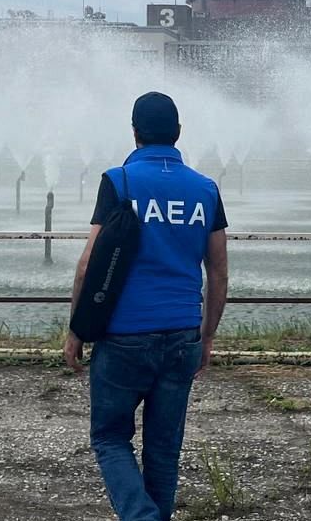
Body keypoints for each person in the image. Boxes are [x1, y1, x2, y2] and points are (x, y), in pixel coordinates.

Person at [65, 91, 230, 521]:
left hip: (124, 335)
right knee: (163, 450)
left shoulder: (119, 182)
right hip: (182, 334)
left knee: (109, 437)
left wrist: (76, 330)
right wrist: (207, 336)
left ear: (135, 132)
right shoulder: (205, 190)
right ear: (178, 134)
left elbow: (88, 265)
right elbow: (219, 272)